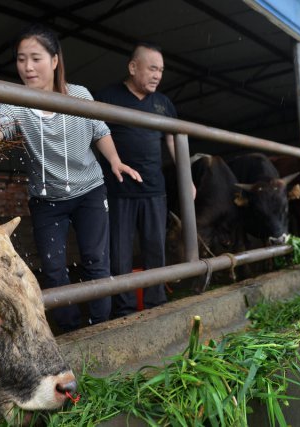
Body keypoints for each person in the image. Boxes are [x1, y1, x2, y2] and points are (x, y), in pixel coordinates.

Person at [0, 23, 142, 332]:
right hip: (46, 199)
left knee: (97, 262)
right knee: (54, 270)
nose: (27, 67)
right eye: (20, 59)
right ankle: (70, 331)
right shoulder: (14, 101)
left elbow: (100, 131)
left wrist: (115, 161)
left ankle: (101, 326)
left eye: (36, 58)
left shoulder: (79, 95)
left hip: (89, 191)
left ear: (55, 61)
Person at [95, 42, 194, 318]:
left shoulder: (164, 104)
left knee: (155, 251)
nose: (157, 75)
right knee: (120, 254)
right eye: (152, 68)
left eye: (161, 70)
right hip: (118, 190)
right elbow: (93, 132)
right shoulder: (108, 97)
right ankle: (124, 309)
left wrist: (187, 177)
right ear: (132, 67)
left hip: (154, 190)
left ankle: (156, 304)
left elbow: (175, 141)